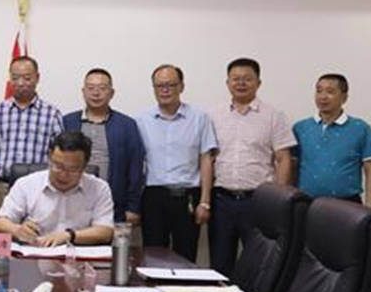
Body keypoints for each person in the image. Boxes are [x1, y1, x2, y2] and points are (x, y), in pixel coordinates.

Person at [209, 57, 296, 276]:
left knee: (259, 265)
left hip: (258, 201)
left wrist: (279, 200)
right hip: (221, 201)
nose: (241, 83)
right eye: (235, 79)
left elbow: (283, 158)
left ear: (259, 82)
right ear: (227, 83)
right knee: (220, 264)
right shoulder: (213, 116)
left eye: (247, 79)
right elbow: (207, 158)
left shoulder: (274, 116)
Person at [135, 64, 217, 262]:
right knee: (152, 257)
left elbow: (206, 159)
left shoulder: (199, 118)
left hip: (187, 197)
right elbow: (136, 163)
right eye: (160, 85)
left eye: (171, 85)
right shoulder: (141, 120)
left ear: (181, 86)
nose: (165, 90)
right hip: (153, 197)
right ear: (153, 88)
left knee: (186, 257)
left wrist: (205, 202)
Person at [0, 56, 63, 229]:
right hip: (0, 186)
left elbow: (58, 155)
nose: (21, 83)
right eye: (15, 78)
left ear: (37, 78)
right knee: (0, 238)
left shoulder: (52, 114)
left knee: (35, 236)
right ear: (10, 79)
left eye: (27, 78)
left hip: (37, 188)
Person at [0, 131, 114, 246]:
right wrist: (16, 229)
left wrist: (70, 235)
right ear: (50, 158)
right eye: (58, 166)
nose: (63, 175)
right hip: (36, 253)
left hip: (78, 255)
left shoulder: (99, 188)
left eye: (72, 169)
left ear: (84, 167)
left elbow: (106, 231)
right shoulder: (26, 184)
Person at [63, 68, 145, 225]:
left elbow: (136, 167)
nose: (96, 93)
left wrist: (133, 207)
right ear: (83, 92)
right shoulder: (68, 122)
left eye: (102, 88)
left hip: (113, 205)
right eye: (91, 88)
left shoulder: (127, 125)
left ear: (112, 93)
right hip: (72, 203)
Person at [293, 73, 371, 205]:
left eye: (330, 91)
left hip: (347, 203)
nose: (323, 96)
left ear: (344, 97)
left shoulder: (360, 128)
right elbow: (292, 166)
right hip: (306, 203)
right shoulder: (301, 128)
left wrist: (370, 205)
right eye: (319, 91)